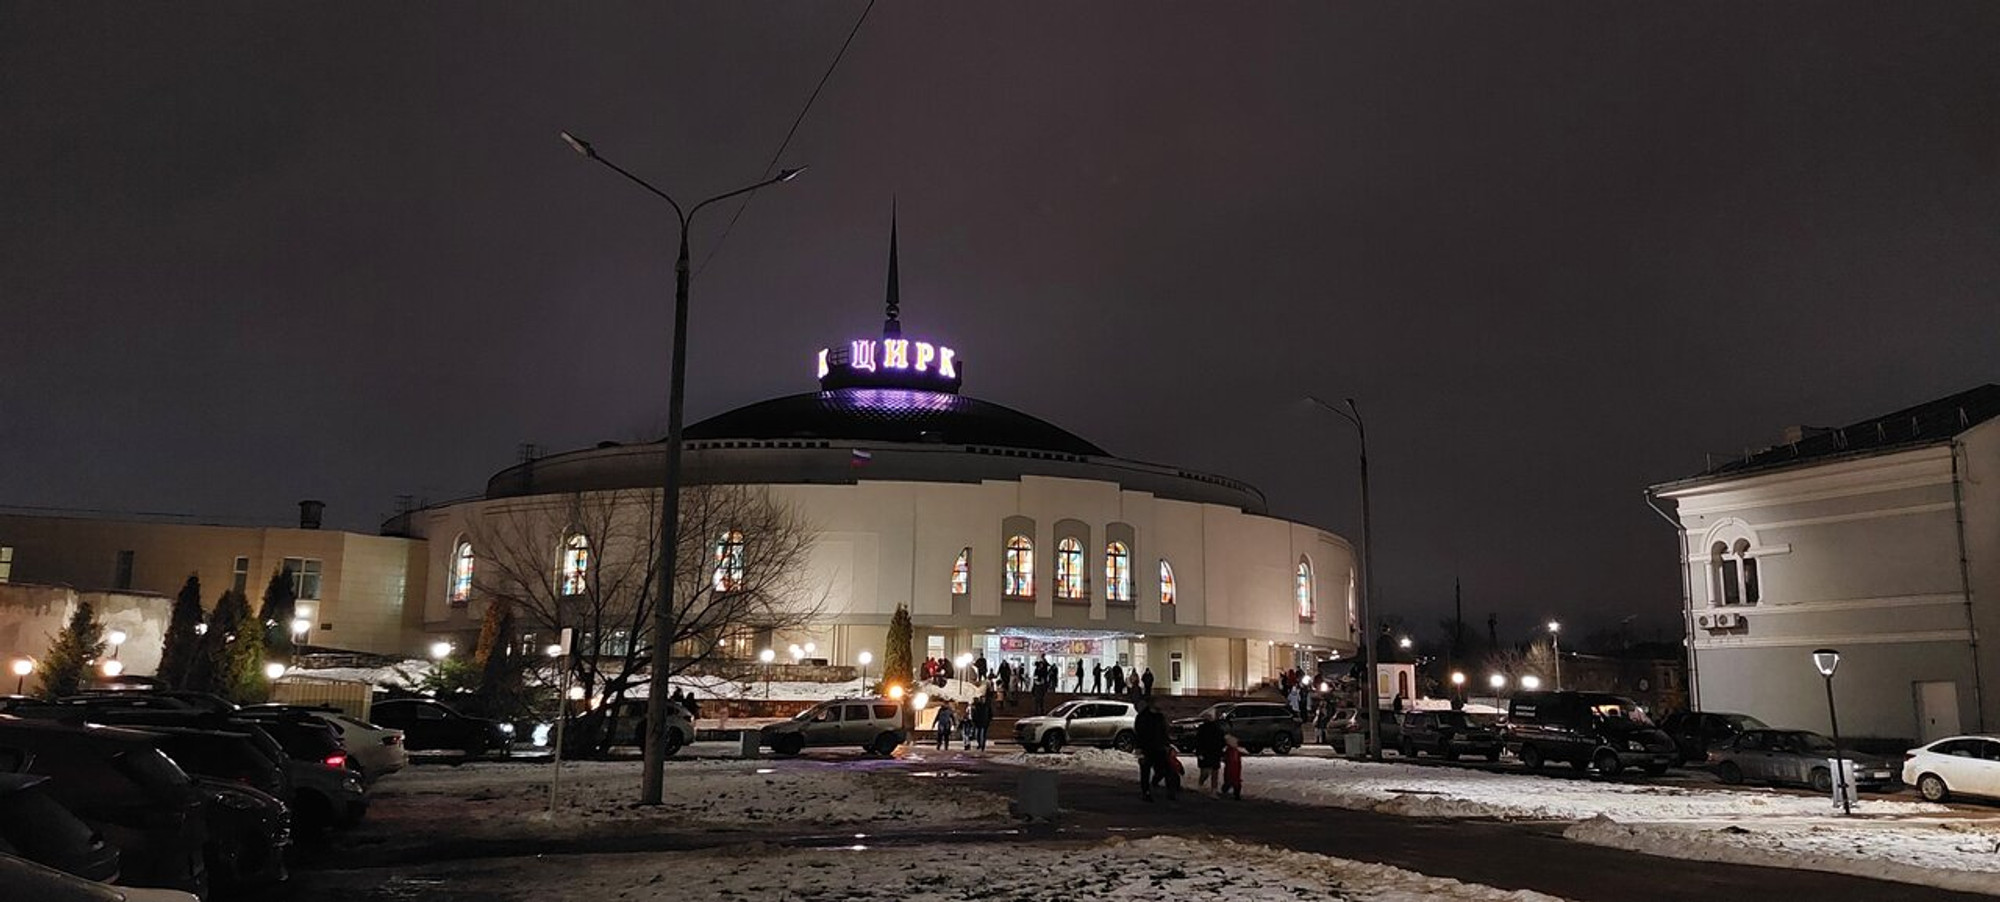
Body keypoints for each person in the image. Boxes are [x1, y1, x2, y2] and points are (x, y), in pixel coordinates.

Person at [1133, 696, 1178, 801]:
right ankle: (1149, 792)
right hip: (1151, 748)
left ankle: (1160, 791)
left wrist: (1167, 744)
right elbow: (1140, 733)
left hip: (1156, 747)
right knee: (1149, 771)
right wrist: (1139, 748)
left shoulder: (1157, 717)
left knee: (1162, 770)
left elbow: (1163, 732)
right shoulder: (1147, 717)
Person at [1194, 710, 1227, 794]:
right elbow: (1222, 740)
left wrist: (1199, 752)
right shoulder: (1217, 728)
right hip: (1213, 752)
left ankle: (1205, 786)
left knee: (1206, 771)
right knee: (1213, 772)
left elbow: (1198, 741)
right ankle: (1213, 789)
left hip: (1208, 752)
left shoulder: (1204, 729)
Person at [1221, 733, 1245, 799]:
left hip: (1230, 768)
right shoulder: (1235, 751)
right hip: (1235, 768)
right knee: (1235, 781)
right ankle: (1236, 794)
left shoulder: (1229, 750)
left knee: (1229, 780)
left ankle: (1227, 790)